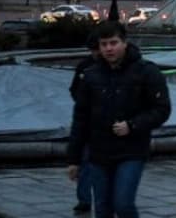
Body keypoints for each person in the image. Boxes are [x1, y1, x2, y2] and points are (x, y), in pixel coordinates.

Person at [67, 21, 171, 218]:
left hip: (131, 151)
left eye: (113, 43)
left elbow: (161, 109)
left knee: (123, 204)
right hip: (99, 153)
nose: (108, 48)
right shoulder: (91, 75)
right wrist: (74, 159)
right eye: (104, 44)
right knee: (103, 209)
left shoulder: (146, 71)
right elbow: (80, 118)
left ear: (124, 43)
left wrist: (133, 125)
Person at [68, 31, 102, 215]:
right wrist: (84, 103)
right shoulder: (84, 66)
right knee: (86, 161)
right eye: (93, 50)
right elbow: (74, 89)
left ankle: (102, 199)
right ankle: (84, 200)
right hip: (89, 122)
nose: (96, 53)